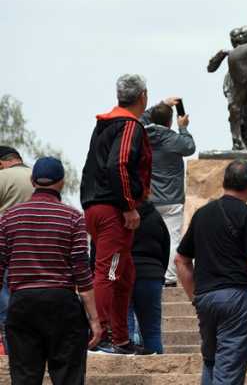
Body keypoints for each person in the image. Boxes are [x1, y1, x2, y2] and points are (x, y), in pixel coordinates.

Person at [0, 157, 102, 383]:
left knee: (24, 378)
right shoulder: (73, 217)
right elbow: (82, 273)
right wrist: (95, 320)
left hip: (22, 304)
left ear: (32, 180)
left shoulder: (8, 218)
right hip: (62, 305)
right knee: (69, 378)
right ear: (62, 183)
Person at [175, 160, 247, 384]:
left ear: (224, 182)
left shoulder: (202, 215)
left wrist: (195, 297)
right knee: (228, 371)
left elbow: (181, 260)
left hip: (206, 298)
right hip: (237, 300)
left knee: (211, 361)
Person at [81, 73, 153, 355]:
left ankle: (121, 338)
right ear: (143, 97)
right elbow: (119, 165)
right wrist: (128, 206)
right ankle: (105, 335)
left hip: (97, 206)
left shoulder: (105, 124)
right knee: (109, 271)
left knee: (124, 273)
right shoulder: (128, 125)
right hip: (112, 209)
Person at [141, 98, 196, 288]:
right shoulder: (175, 139)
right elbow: (190, 146)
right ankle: (170, 279)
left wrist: (162, 103)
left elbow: (138, 118)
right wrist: (184, 127)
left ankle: (146, 274)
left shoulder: (141, 136)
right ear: (170, 122)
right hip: (172, 200)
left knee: (148, 238)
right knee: (173, 239)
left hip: (148, 200)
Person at [0, 146, 34, 351]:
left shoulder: (2, 177)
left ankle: (8, 344)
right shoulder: (37, 176)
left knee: (4, 294)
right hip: (37, 247)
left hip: (6, 243)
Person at [126, 202, 170, 354]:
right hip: (151, 275)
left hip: (123, 272)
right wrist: (159, 273)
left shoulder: (119, 214)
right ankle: (158, 369)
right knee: (152, 331)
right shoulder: (156, 216)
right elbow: (166, 246)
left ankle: (127, 369)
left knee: (125, 330)